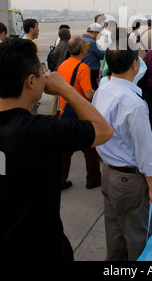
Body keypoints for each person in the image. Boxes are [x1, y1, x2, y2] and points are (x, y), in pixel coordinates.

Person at [0, 38, 112, 260]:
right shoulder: (41, 131)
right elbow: (104, 131)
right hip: (41, 249)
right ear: (31, 81)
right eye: (42, 72)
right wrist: (66, 89)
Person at [92, 38, 152, 261]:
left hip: (109, 173)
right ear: (135, 64)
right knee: (138, 236)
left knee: (114, 233)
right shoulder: (134, 104)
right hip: (129, 180)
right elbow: (146, 152)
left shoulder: (102, 91)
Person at [57, 36, 101, 190]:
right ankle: (93, 178)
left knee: (65, 149)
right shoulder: (83, 68)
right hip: (80, 113)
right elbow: (88, 94)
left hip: (66, 111)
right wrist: (99, 92)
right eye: (87, 45)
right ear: (83, 49)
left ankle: (61, 179)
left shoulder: (63, 65)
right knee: (90, 147)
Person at [82, 23, 105, 89]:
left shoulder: (81, 39)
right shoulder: (92, 42)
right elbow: (101, 55)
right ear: (95, 32)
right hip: (92, 72)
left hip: (83, 70)